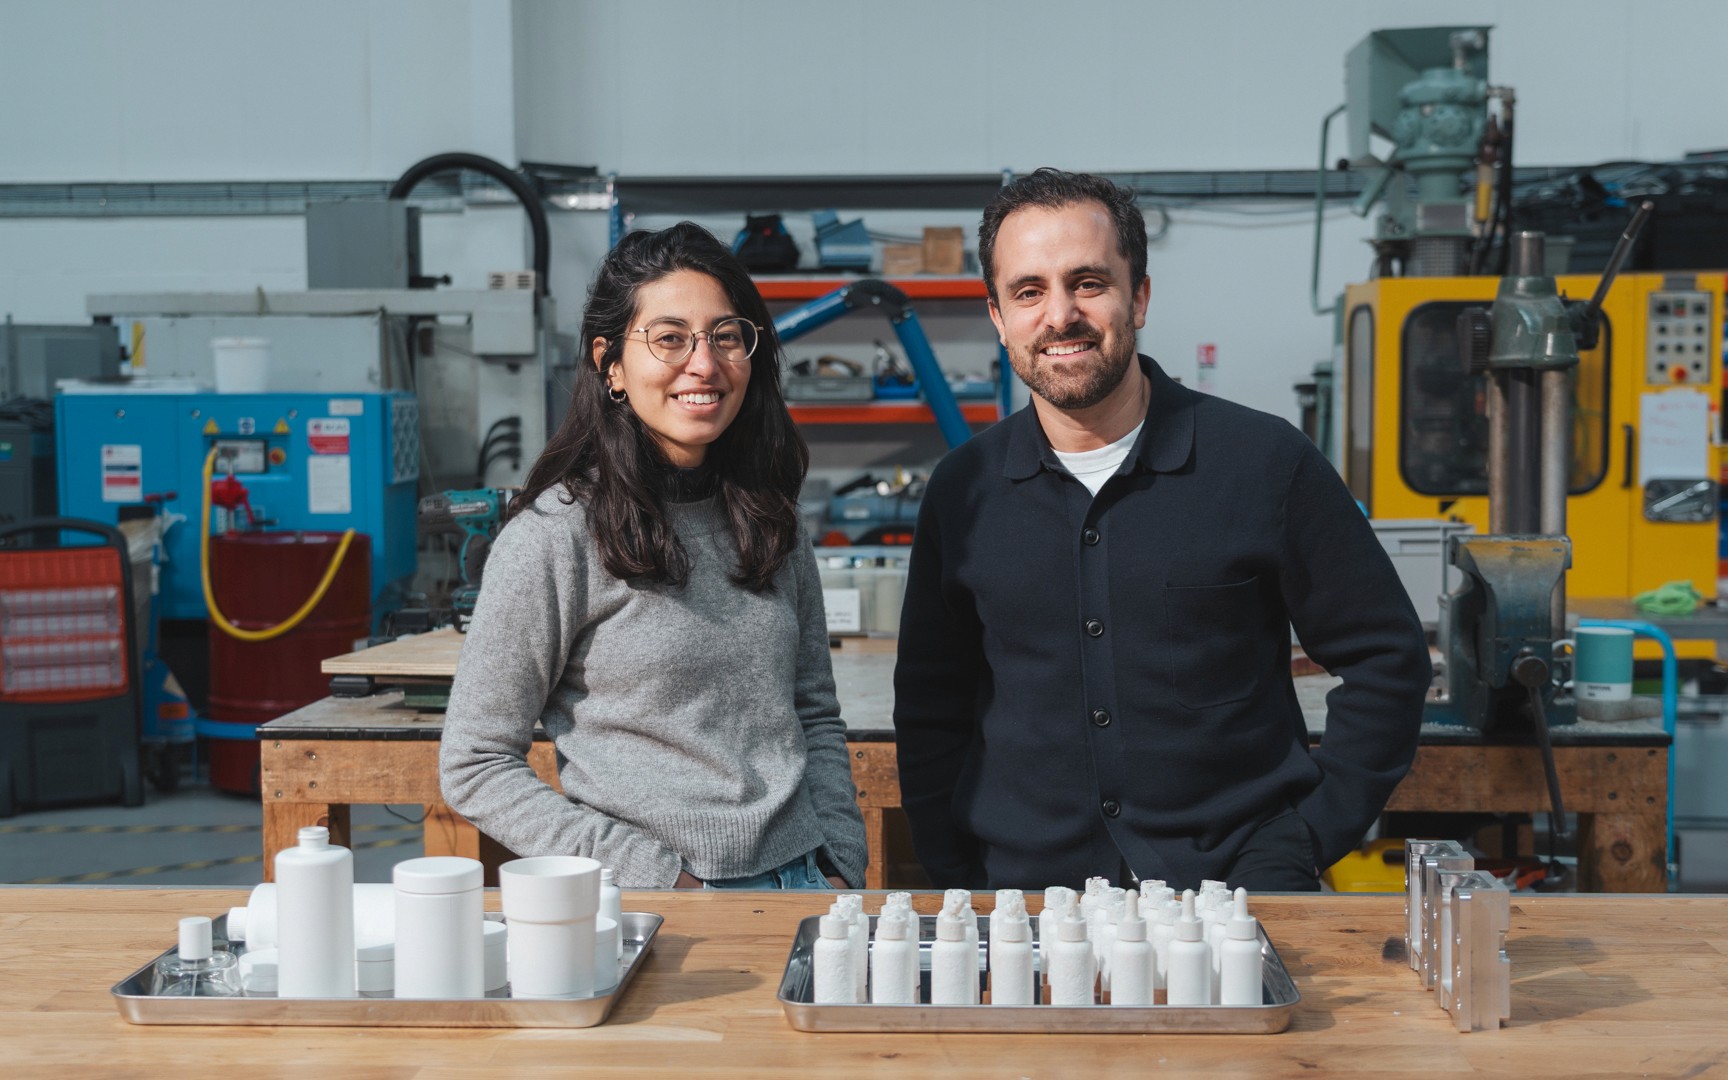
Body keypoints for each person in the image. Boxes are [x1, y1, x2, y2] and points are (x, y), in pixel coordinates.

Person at [892, 169, 1431, 892]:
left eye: (1088, 282)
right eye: (1029, 291)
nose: (1060, 316)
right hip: (1029, 899)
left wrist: (1304, 838)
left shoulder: (1265, 465)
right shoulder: (964, 491)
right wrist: (953, 863)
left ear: (1138, 296)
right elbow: (931, 700)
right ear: (997, 316)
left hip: (1239, 894)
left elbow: (1388, 659)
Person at [441, 222, 866, 890]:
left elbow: (812, 712)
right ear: (610, 363)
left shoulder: (770, 519)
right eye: (669, 338)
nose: (704, 363)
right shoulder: (554, 537)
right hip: (661, 905)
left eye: (726, 336)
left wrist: (841, 859)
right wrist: (656, 879)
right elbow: (475, 763)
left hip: (804, 884)